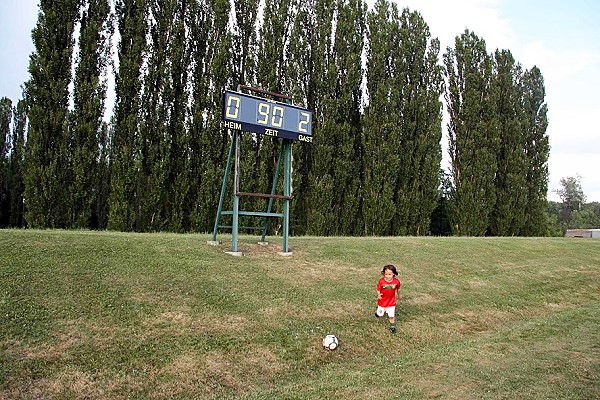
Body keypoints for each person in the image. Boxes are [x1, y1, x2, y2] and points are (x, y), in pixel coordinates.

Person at [375, 264, 402, 333]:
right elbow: (378, 289)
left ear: (394, 274)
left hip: (391, 302)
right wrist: (378, 295)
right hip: (382, 302)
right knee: (380, 314)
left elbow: (398, 289)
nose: (387, 276)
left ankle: (392, 327)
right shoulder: (381, 281)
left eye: (390, 274)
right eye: (386, 274)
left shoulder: (396, 282)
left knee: (391, 315)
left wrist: (399, 295)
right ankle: (378, 312)